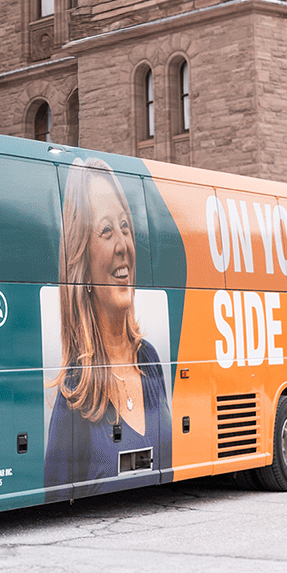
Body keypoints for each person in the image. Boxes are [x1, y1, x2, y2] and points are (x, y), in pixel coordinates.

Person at [44, 157, 170, 489]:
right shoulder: (75, 391)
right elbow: (53, 499)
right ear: (82, 262)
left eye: (125, 227)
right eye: (106, 230)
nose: (122, 246)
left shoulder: (150, 361)